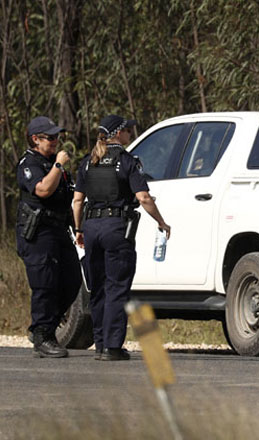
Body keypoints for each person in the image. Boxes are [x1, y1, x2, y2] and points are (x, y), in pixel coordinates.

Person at [72, 114, 171, 361]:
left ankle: (101, 343)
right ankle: (112, 347)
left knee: (98, 288)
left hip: (92, 227)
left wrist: (79, 230)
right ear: (117, 133)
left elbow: (77, 200)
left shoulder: (88, 162)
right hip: (116, 228)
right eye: (127, 130)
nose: (130, 134)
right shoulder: (126, 161)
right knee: (117, 287)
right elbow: (143, 198)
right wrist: (161, 221)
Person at [16, 116, 82, 358]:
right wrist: (58, 166)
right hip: (38, 233)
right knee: (45, 285)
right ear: (35, 139)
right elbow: (42, 189)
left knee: (72, 280)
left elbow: (72, 196)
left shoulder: (56, 164)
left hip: (58, 230)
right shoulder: (29, 163)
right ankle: (43, 336)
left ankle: (44, 329)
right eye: (50, 137)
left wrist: (78, 227)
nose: (56, 141)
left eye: (57, 137)